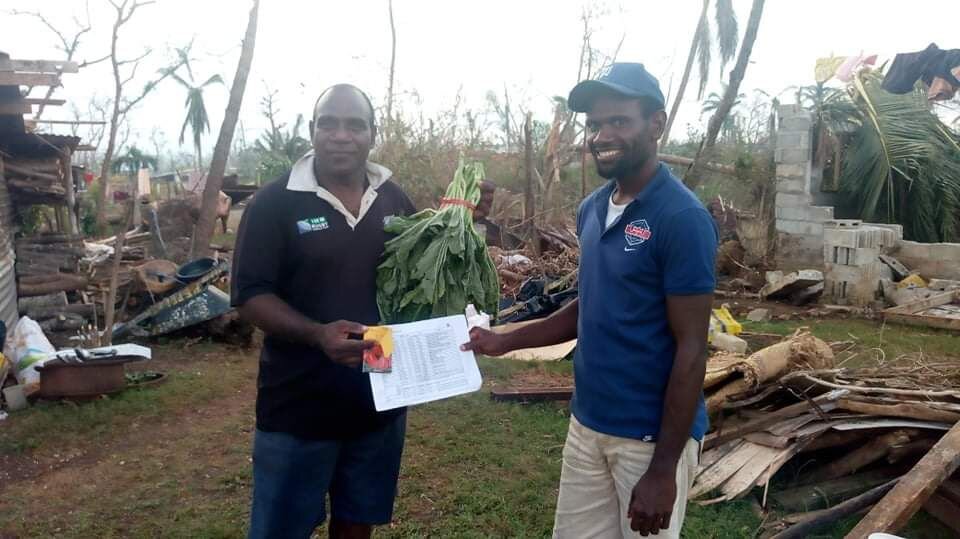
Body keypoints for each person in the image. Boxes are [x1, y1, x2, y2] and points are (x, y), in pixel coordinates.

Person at [463, 63, 718, 538]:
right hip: (587, 424)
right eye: (595, 124)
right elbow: (590, 306)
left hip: (647, 438)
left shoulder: (681, 217)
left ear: (656, 125)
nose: (602, 135)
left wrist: (663, 470)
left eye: (619, 121)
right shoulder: (594, 207)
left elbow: (692, 349)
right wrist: (504, 340)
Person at [231, 83, 492, 539]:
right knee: (281, 529)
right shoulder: (275, 202)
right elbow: (251, 294)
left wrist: (469, 217)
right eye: (328, 124)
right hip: (298, 408)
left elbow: (421, 267)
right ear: (312, 132)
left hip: (380, 401)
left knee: (357, 524)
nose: (341, 135)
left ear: (372, 135)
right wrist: (317, 335)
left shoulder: (391, 196)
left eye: (355, 125)